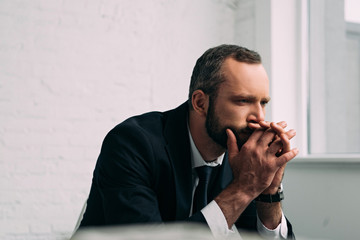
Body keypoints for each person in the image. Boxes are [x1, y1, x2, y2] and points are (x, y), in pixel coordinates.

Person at [78, 44, 298, 239]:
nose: (259, 117)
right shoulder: (132, 144)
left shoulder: (243, 156)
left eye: (263, 102)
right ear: (200, 102)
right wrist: (245, 188)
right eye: (243, 101)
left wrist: (269, 194)